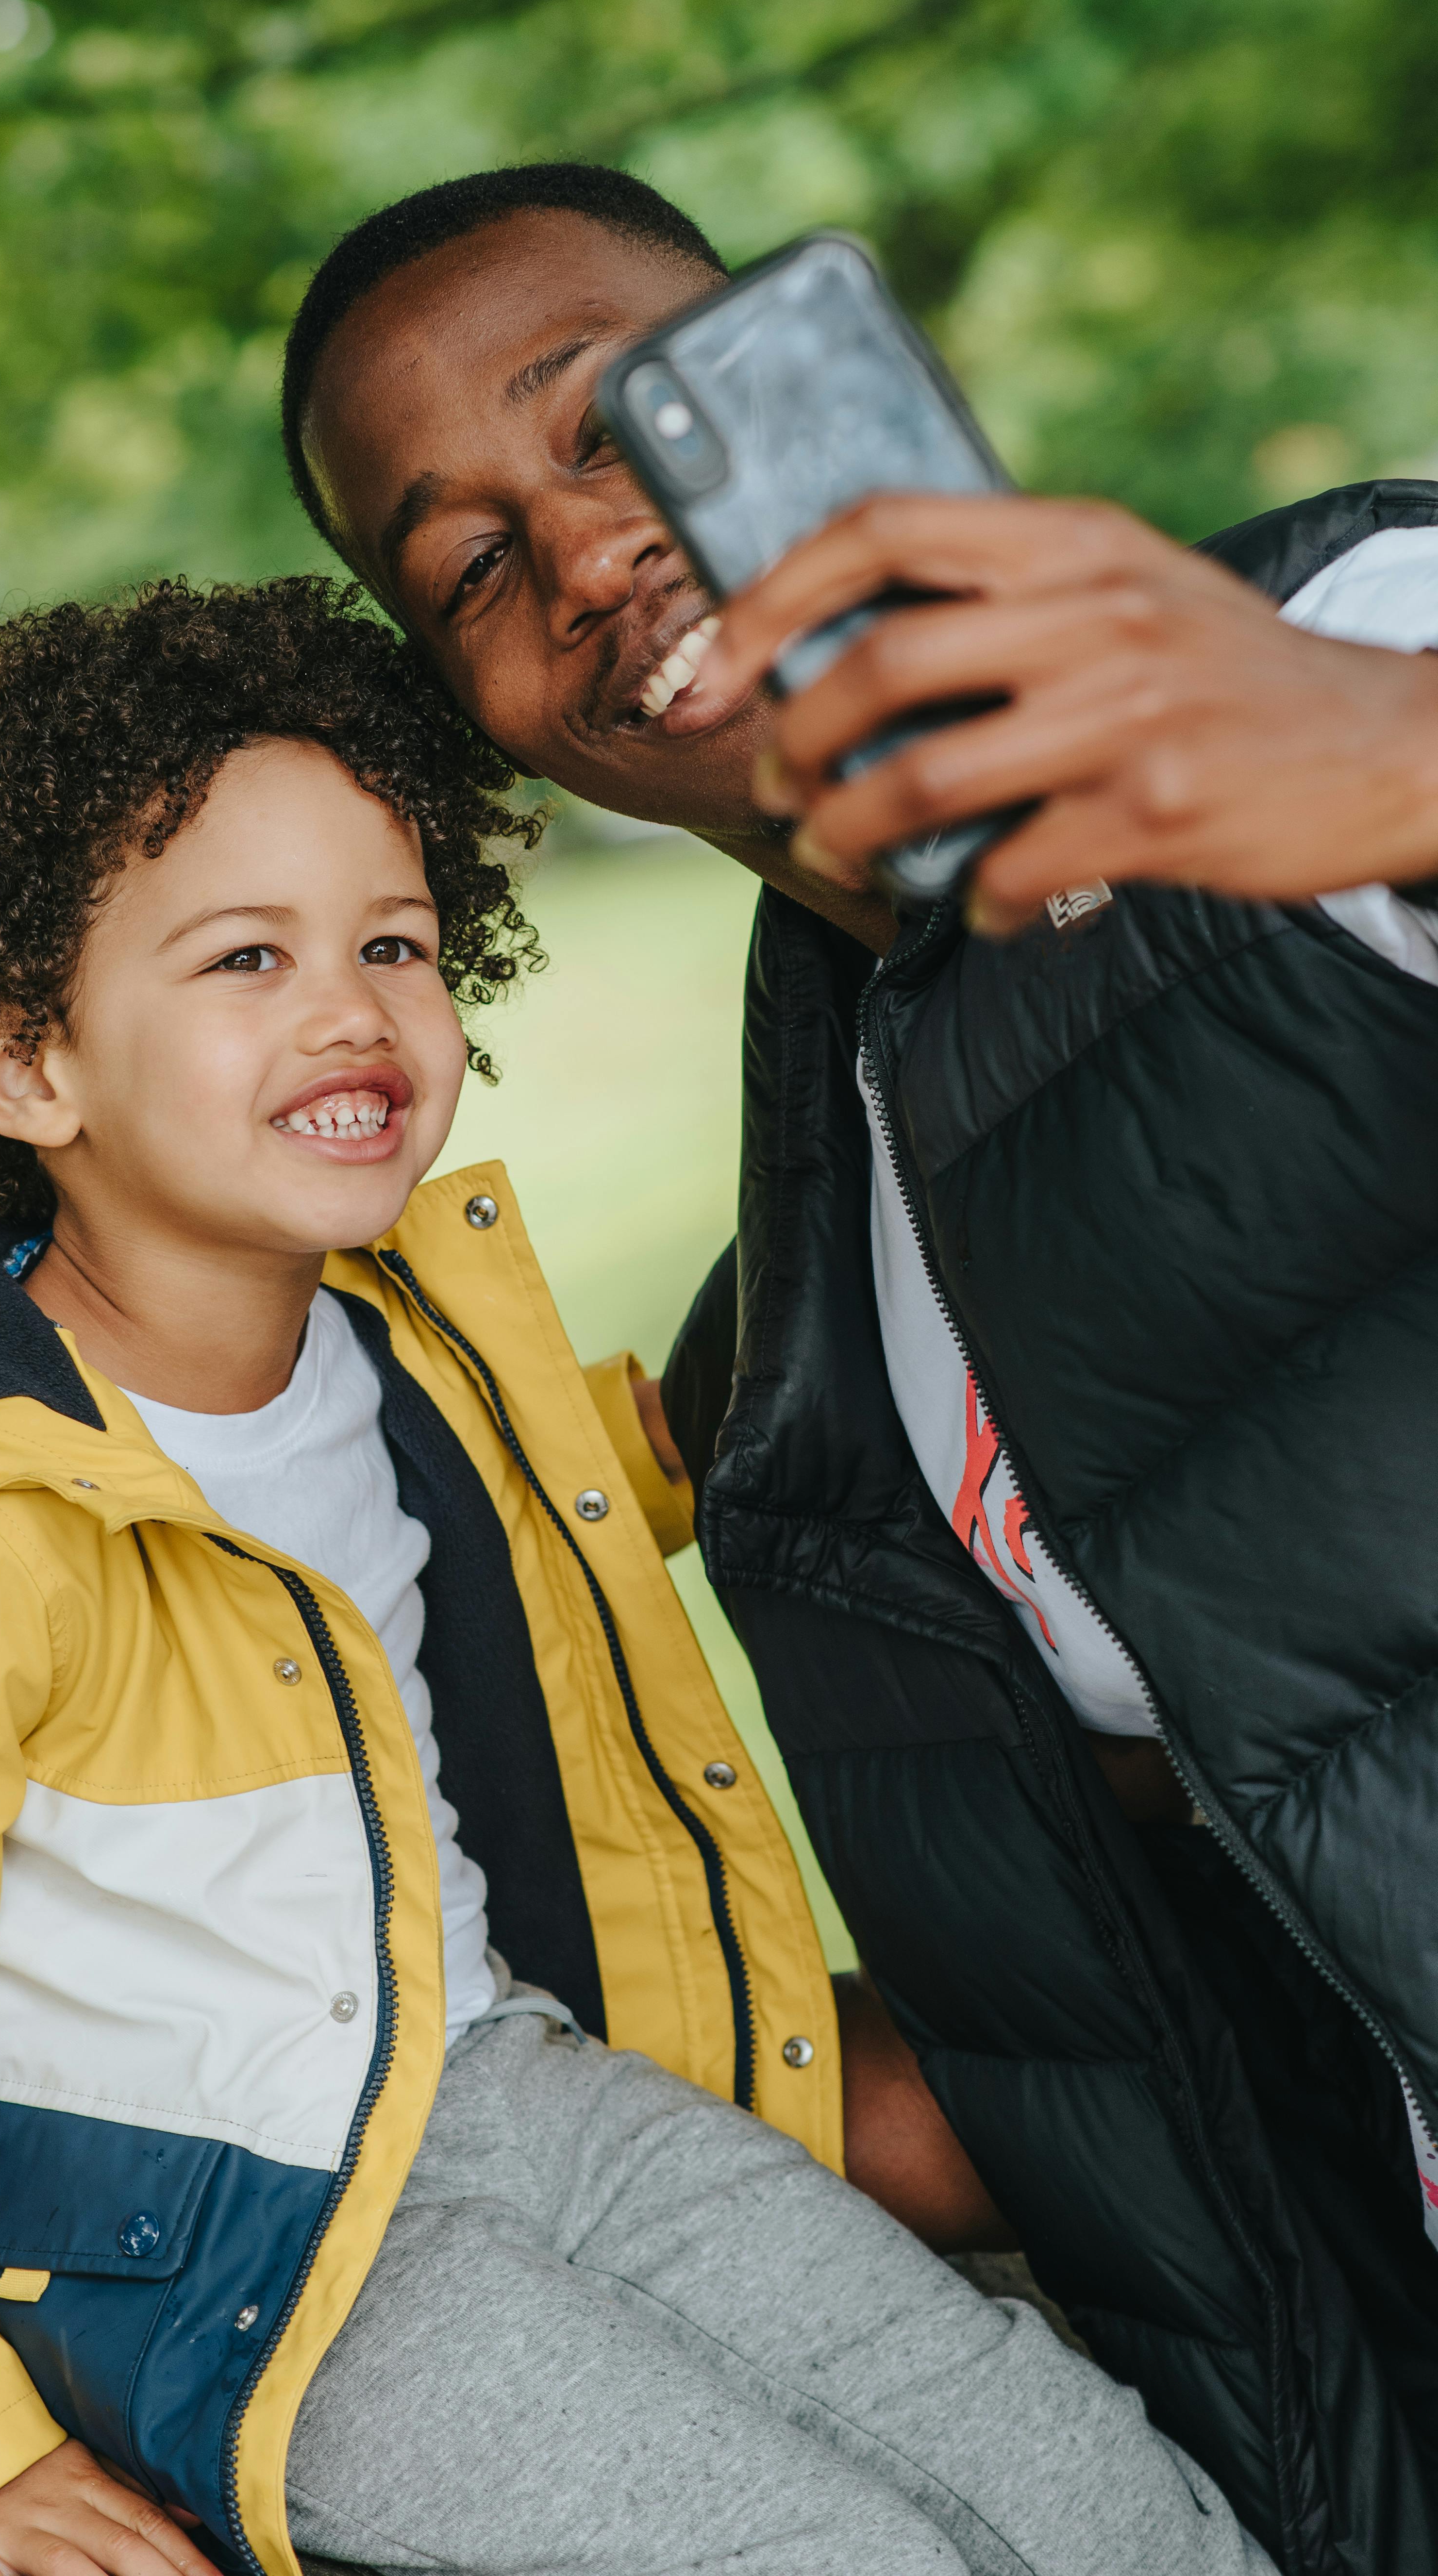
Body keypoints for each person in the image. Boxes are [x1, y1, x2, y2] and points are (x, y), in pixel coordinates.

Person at [0, 577, 1278, 2576]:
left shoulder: (396, 1346)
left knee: (1095, 2497)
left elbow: (542, 1504)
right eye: (242, 958)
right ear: (28, 1065)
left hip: (507, 2087)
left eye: (392, 940)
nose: (350, 1009)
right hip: (242, 2244)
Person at [282, 163, 1438, 2576]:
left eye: (617, 418)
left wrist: (1387, 743)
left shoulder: (1331, 634)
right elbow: (1109, 2035)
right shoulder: (835, 1292)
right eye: (465, 566)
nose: (584, 551)